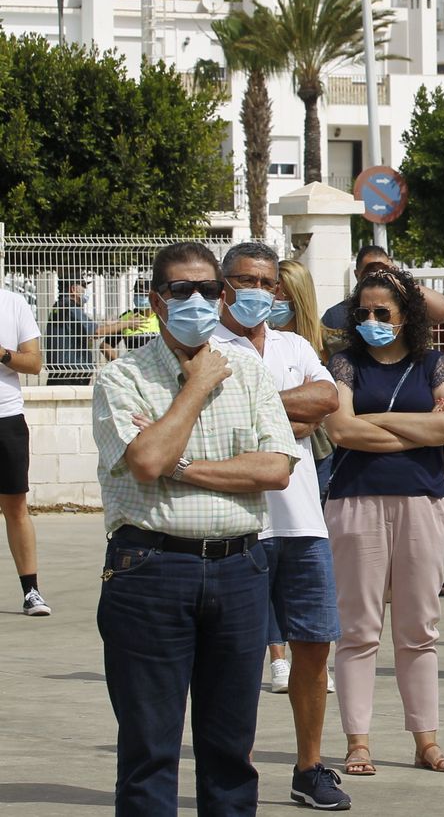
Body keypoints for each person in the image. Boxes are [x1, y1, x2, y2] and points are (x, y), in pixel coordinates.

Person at [90, 241, 299, 815]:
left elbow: (274, 469)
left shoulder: (252, 373)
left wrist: (183, 466)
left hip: (239, 569)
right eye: (184, 291)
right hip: (151, 569)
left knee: (230, 749)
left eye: (210, 290)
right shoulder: (122, 377)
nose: (200, 301)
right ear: (158, 301)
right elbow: (146, 463)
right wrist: (197, 386)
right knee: (150, 749)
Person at [208, 242, 348, 809]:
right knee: (235, 657)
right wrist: (283, 413)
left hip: (302, 523)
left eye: (268, 284)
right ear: (224, 287)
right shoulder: (205, 348)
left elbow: (328, 398)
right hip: (239, 526)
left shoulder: (293, 345)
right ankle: (230, 774)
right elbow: (210, 418)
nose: (259, 293)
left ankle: (309, 766)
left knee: (314, 647)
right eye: (246, 281)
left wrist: (254, 407)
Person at [324, 265, 444, 776]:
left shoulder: (432, 362)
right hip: (354, 500)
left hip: (423, 500)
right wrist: (416, 430)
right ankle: (357, 742)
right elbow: (341, 429)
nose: (371, 320)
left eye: (382, 312)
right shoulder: (343, 363)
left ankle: (425, 740)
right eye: (362, 312)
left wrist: (375, 421)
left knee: (418, 628)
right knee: (359, 628)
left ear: (406, 316)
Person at [1, 286, 48, 616]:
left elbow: (34, 363)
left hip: (6, 418)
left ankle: (31, 591)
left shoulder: (13, 302)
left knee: (15, 505)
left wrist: (3, 354)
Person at [271, 259, 336, 501]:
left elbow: (326, 402)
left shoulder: (325, 344)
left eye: (281, 295)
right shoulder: (259, 340)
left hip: (319, 452)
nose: (273, 300)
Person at [320, 245, 444, 332]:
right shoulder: (336, 315)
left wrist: (401, 280)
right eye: (363, 314)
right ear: (357, 275)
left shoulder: (405, 308)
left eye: (382, 313)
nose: (378, 276)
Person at [44, 279, 117, 385]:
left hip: (63, 372)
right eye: (83, 286)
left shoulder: (60, 306)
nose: (85, 290)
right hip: (71, 374)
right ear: (73, 289)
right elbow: (96, 332)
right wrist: (126, 323)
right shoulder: (70, 307)